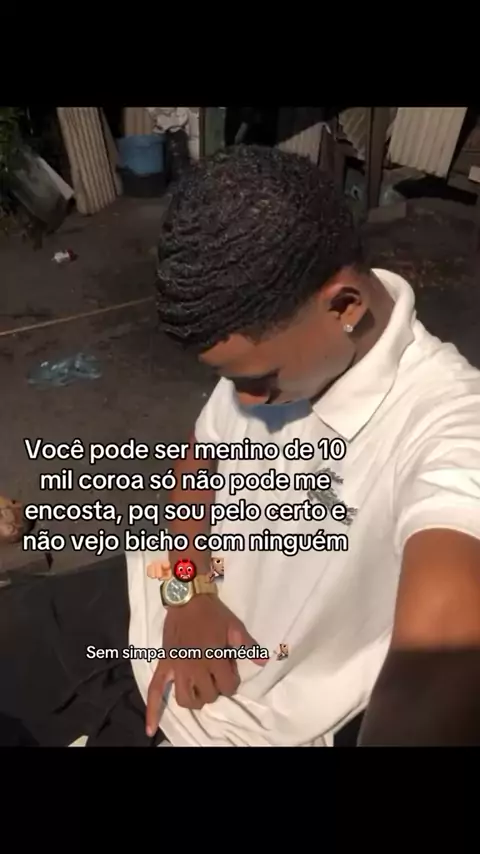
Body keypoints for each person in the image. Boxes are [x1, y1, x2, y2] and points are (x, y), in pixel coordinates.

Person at [128, 144, 480, 748]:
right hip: (153, 622)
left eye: (258, 380)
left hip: (241, 729)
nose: (245, 401)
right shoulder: (276, 349)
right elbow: (198, 463)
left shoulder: (450, 426)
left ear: (345, 306)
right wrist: (186, 592)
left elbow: (444, 646)